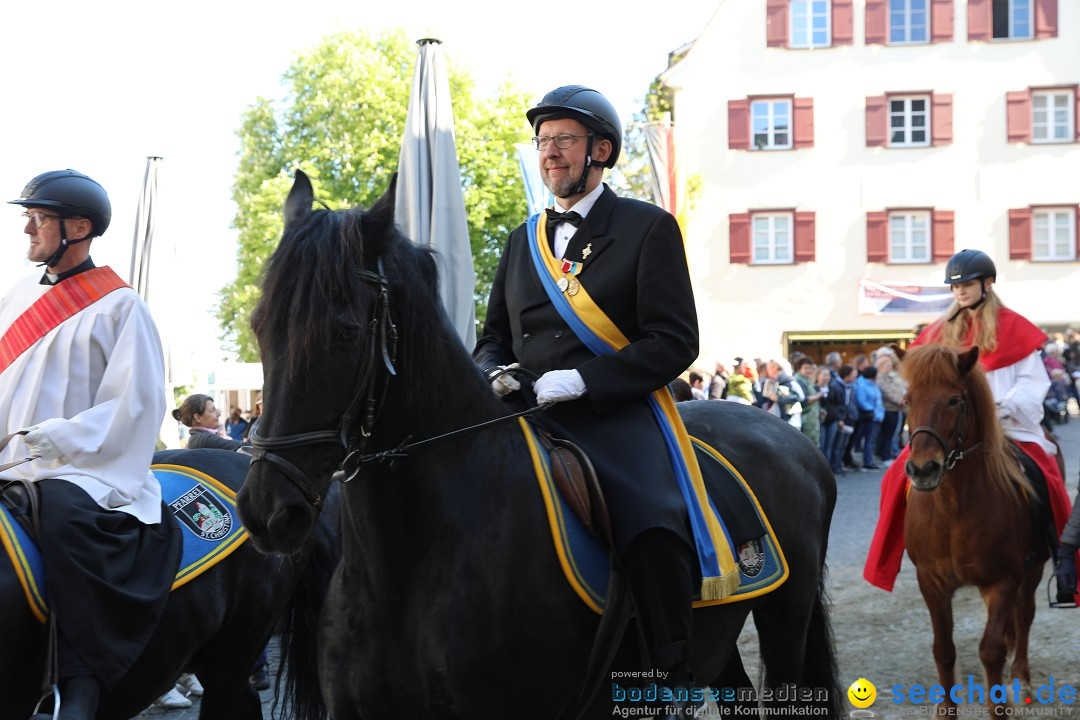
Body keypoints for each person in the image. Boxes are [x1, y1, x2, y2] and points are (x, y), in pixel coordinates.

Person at [473, 85, 713, 716]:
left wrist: (587, 381)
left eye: (564, 141)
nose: (550, 154)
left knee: (650, 517)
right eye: (544, 141)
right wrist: (493, 371)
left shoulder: (647, 228)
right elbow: (492, 336)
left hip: (614, 410)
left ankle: (672, 673)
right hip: (524, 411)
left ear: (599, 151)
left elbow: (674, 339)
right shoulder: (523, 240)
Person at [1, 170, 182, 720]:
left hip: (77, 466)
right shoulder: (12, 299)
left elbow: (134, 404)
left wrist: (51, 438)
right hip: (9, 460)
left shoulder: (122, 307)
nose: (27, 226)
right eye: (28, 215)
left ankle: (77, 682)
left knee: (65, 520)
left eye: (40, 217)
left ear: (78, 227)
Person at [865, 249, 1072, 591]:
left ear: (987, 283)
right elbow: (920, 381)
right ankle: (897, 555)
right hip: (951, 426)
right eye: (955, 287)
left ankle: (1055, 554)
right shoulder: (937, 331)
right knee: (893, 478)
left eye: (967, 285)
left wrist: (1002, 406)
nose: (960, 292)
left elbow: (1033, 380)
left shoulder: (1015, 327)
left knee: (1043, 474)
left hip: (1009, 423)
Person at [173, 394, 243, 451]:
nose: (218, 413)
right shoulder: (204, 440)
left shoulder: (198, 438)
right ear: (198, 418)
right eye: (212, 410)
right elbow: (246, 447)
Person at [852, 366, 884, 471]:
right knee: (869, 440)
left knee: (872, 440)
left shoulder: (873, 384)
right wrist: (872, 411)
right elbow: (861, 400)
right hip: (870, 417)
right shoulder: (862, 385)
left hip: (877, 416)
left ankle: (869, 460)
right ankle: (868, 462)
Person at [793, 357, 823, 448]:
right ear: (799, 368)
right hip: (805, 420)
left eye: (810, 368)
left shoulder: (807, 380)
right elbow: (804, 400)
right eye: (806, 368)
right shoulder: (798, 380)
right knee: (807, 446)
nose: (809, 370)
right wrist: (818, 395)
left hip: (812, 420)